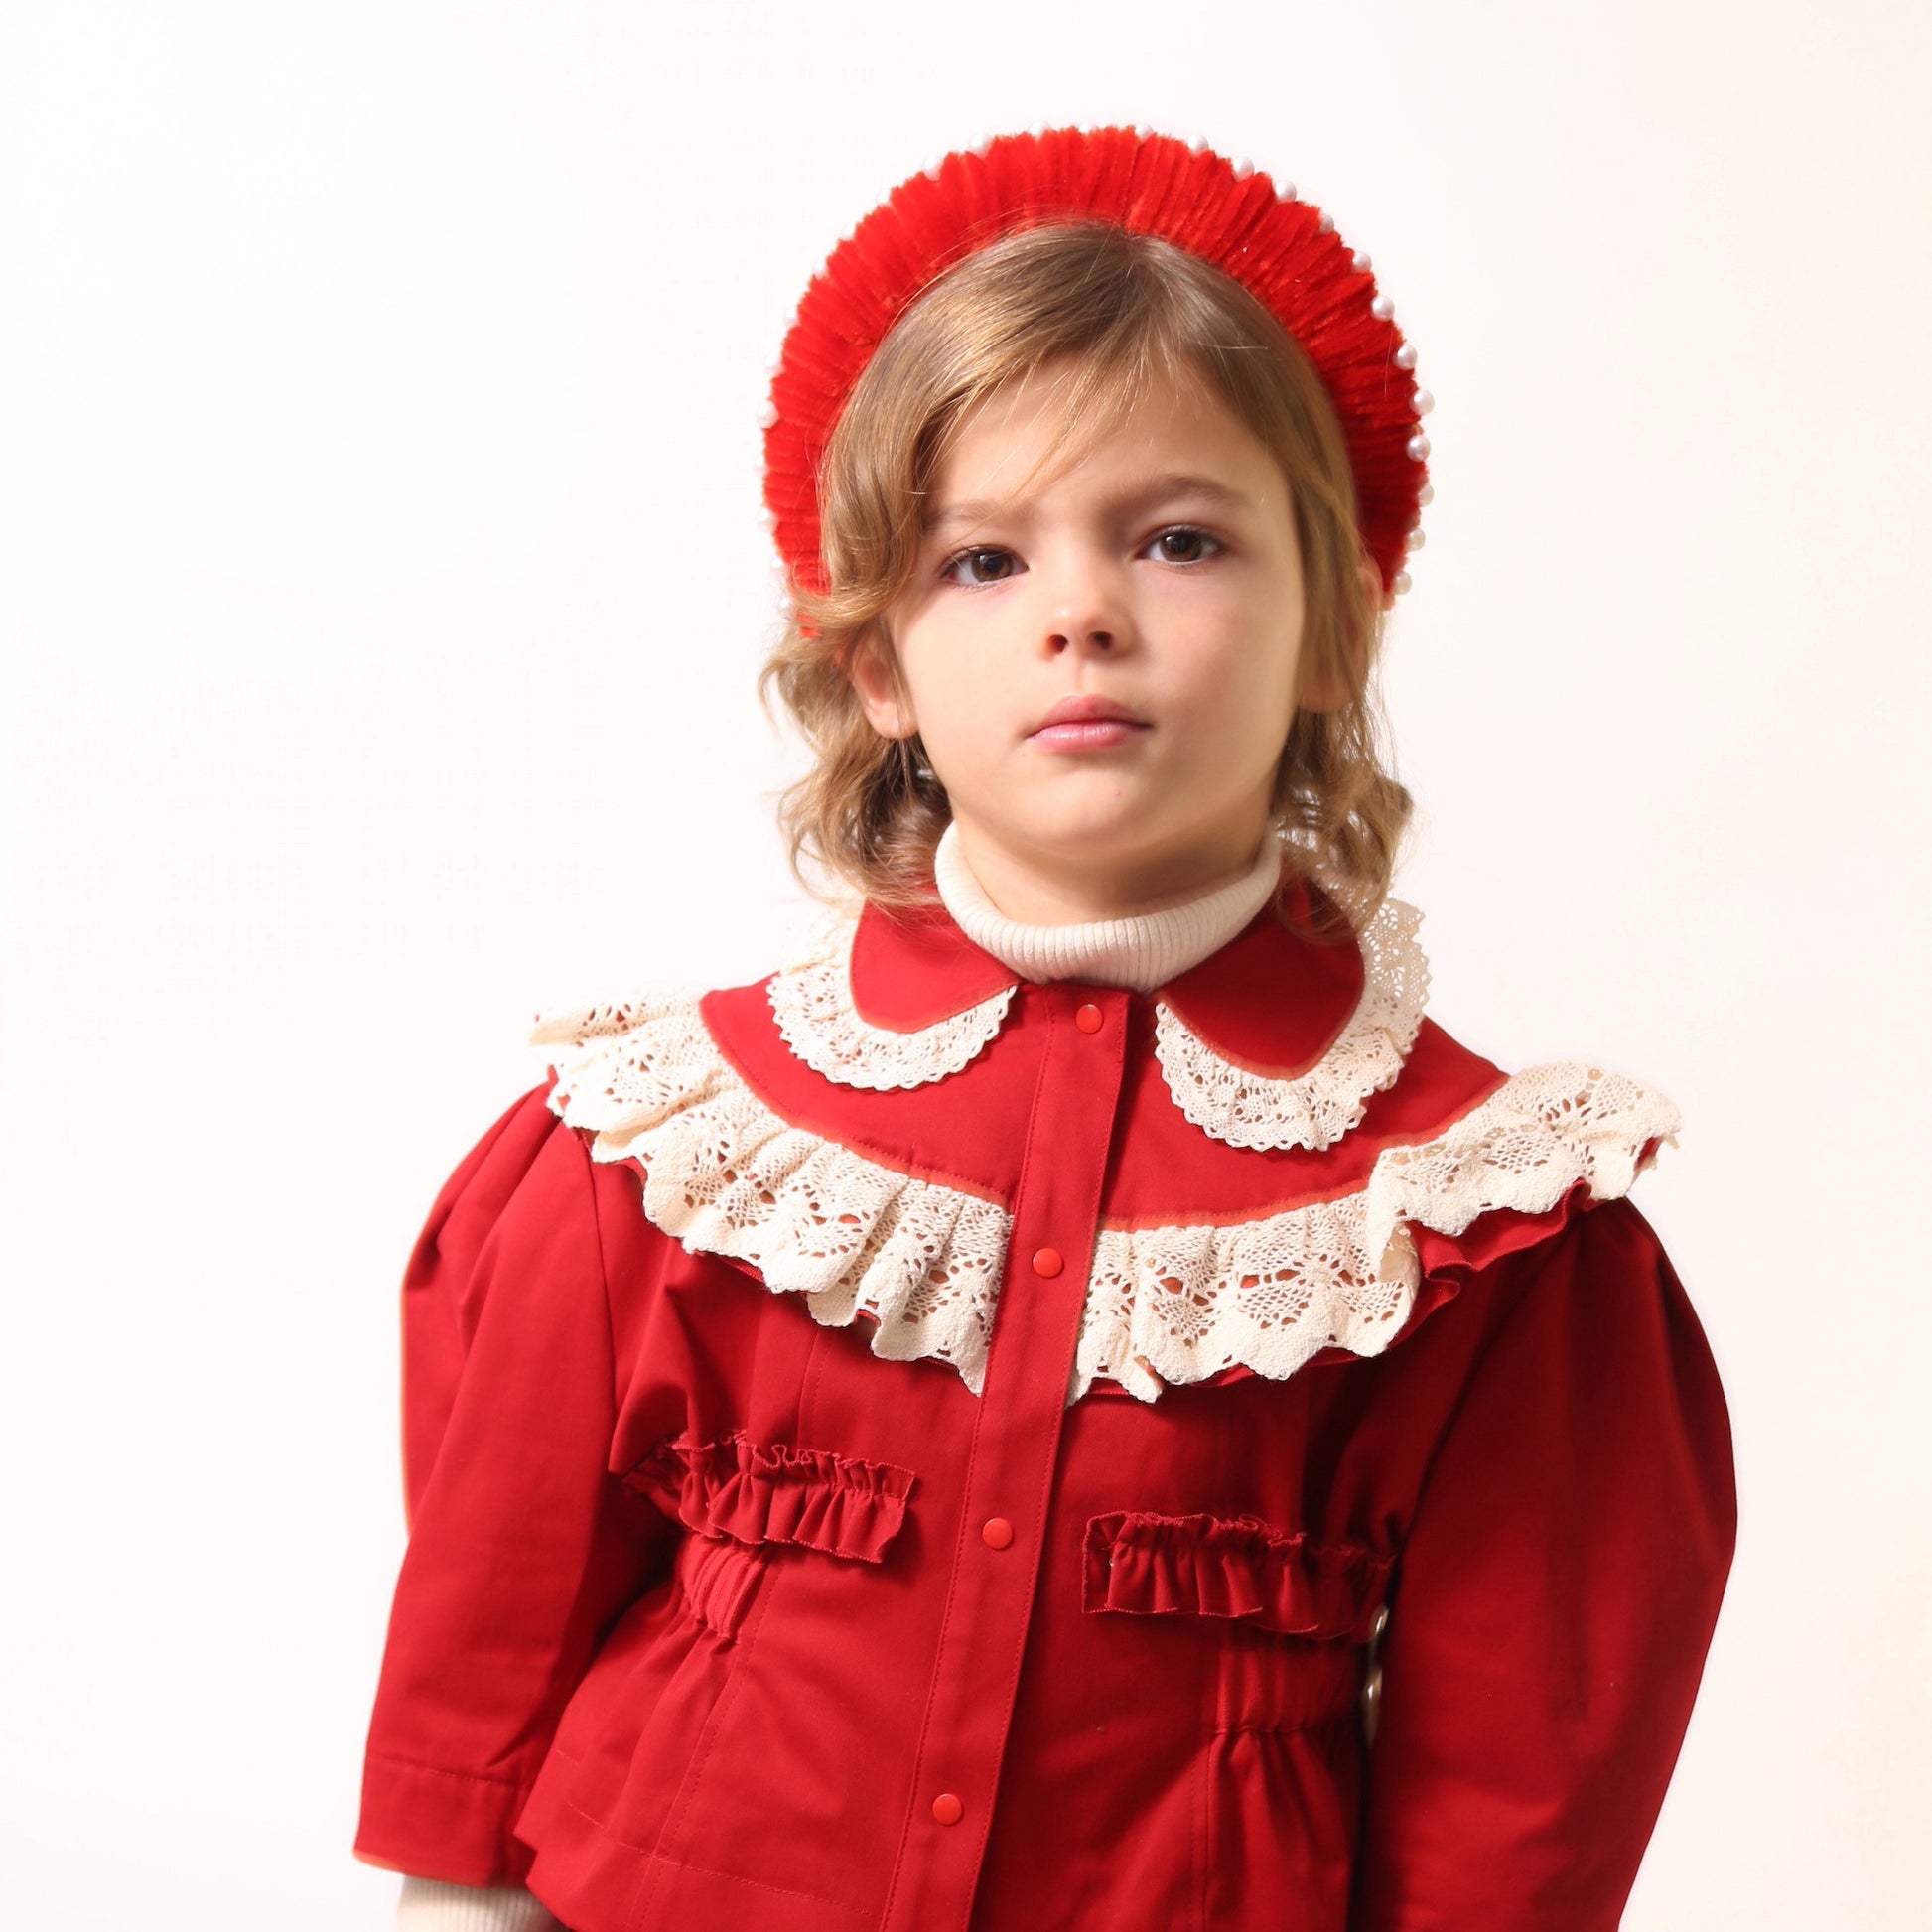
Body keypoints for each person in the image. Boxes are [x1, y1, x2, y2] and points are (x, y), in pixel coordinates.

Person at [353, 127, 1737, 1932]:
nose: (1079, 611)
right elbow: (500, 1582)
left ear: (1333, 625)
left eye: (1176, 539)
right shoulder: (670, 1138)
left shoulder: (1478, 1225)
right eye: (982, 561)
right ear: (876, 665)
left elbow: (1524, 1769)